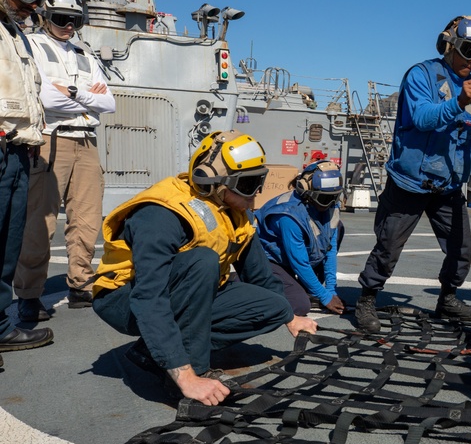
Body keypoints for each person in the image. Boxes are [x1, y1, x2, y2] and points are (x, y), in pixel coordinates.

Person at [91, 130, 318, 405]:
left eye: (259, 181)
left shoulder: (235, 212)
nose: (256, 193)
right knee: (202, 261)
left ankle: (150, 353)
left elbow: (258, 274)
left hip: (179, 290)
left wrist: (290, 317)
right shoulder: (161, 214)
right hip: (124, 298)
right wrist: (187, 376)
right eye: (248, 185)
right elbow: (149, 298)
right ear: (212, 181)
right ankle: (186, 373)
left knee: (274, 307)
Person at [355, 15, 471, 333]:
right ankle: (367, 298)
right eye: (468, 49)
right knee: (388, 246)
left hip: (448, 186)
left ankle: (448, 298)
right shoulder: (422, 75)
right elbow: (423, 117)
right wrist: (459, 101)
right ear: (449, 45)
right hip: (409, 183)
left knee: (461, 250)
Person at [15, 0, 116, 322]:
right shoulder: (32, 45)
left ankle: (81, 283)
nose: (69, 26)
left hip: (86, 142)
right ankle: (29, 294)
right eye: (61, 19)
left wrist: (70, 91)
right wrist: (87, 96)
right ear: (45, 15)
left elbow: (109, 103)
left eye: (75, 20)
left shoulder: (85, 54)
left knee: (87, 220)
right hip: (50, 139)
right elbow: (43, 98)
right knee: (40, 222)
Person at [0, 0, 55, 362]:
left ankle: (1, 326)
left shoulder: (15, 34)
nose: (29, 3)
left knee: (7, 245)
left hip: (18, 152)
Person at [255, 160, 346, 317]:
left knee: (339, 227)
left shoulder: (330, 205)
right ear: (306, 191)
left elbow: (330, 250)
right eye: (325, 199)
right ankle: (248, 283)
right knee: (300, 305)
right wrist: (325, 297)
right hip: (272, 260)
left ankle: (302, 286)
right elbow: (299, 262)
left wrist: (331, 290)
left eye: (335, 197)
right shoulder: (288, 215)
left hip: (296, 257)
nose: (331, 204)